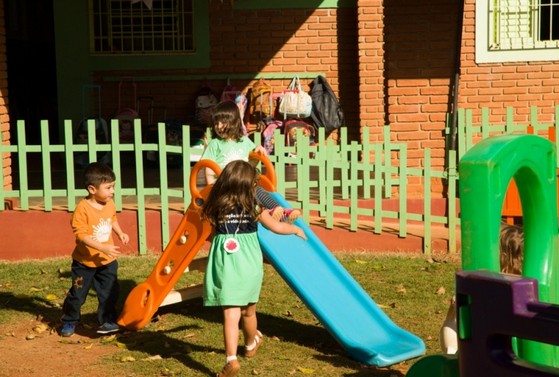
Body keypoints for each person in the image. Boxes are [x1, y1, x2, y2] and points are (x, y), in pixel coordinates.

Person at [202, 160, 307, 377]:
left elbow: (213, 236)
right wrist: (294, 230)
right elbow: (276, 226)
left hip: (226, 263)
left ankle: (231, 358)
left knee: (231, 314)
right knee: (249, 311)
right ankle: (250, 343)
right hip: (249, 263)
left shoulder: (215, 206)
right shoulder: (254, 207)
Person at [201, 100, 301, 224]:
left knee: (256, 189)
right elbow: (208, 168)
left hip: (243, 183)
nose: (219, 126)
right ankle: (268, 212)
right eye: (216, 123)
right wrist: (211, 189)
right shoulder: (215, 144)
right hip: (225, 186)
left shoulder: (244, 141)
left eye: (223, 122)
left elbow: (251, 162)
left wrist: (258, 149)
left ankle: (279, 211)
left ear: (234, 122)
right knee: (250, 191)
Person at [60, 162, 130, 337]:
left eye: (113, 187)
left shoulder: (109, 203)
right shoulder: (82, 210)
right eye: (108, 188)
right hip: (84, 263)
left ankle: (107, 322)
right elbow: (81, 236)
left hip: (107, 262)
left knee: (109, 293)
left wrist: (120, 232)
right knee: (78, 295)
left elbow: (112, 219)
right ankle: (69, 320)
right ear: (92, 189)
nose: (112, 191)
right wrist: (102, 247)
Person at [439, 222, 524, 354]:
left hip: (495, 352)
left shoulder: (504, 289)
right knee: (454, 317)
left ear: (503, 260)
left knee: (452, 321)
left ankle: (454, 356)